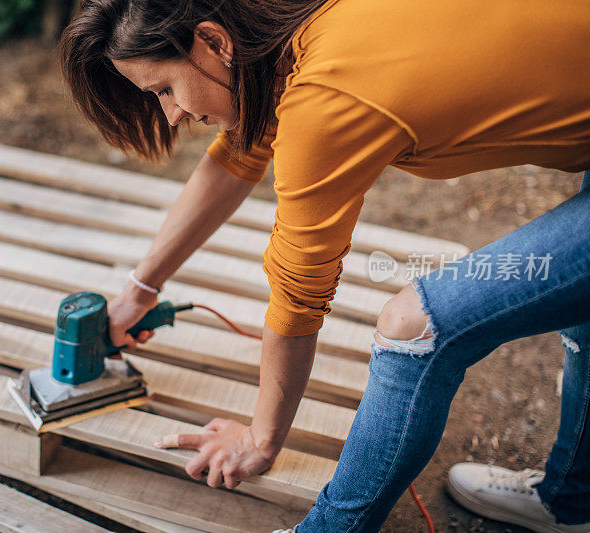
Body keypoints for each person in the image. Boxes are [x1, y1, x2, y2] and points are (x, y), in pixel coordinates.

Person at [58, 0, 590, 530]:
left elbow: (297, 301)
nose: (171, 113)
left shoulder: (325, 96)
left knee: (418, 327)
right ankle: (570, 503)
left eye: (164, 90)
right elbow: (239, 154)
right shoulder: (298, 29)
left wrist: (259, 440)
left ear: (215, 43)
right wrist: (140, 287)